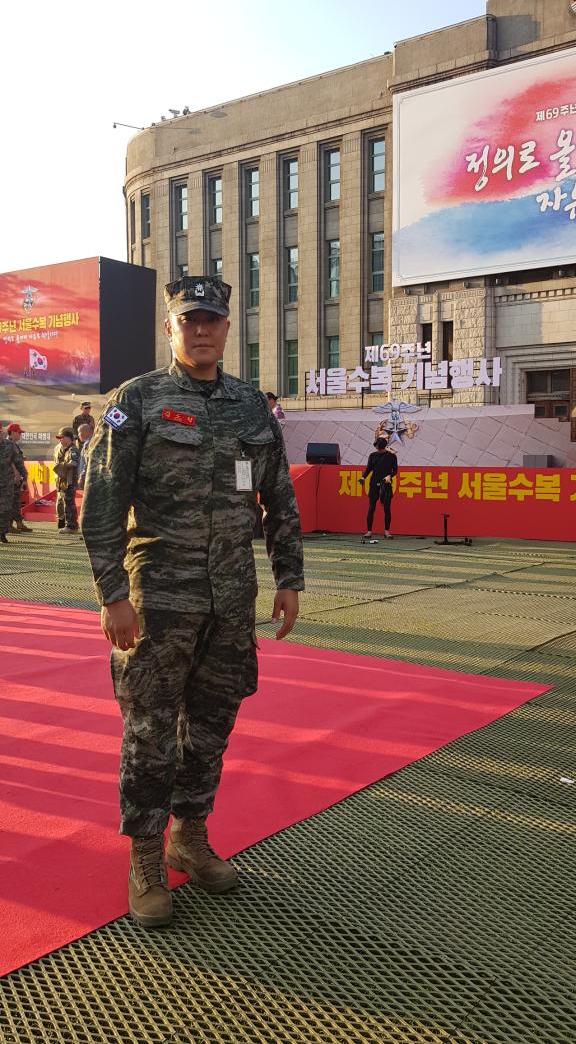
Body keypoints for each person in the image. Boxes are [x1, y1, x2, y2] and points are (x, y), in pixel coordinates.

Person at [80, 276, 304, 930]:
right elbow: (102, 501)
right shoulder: (138, 400)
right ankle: (146, 857)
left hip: (231, 600)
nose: (201, 330)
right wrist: (112, 595)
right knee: (150, 733)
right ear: (171, 329)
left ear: (228, 328)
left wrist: (289, 575)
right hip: (159, 601)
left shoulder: (249, 407)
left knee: (210, 728)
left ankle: (190, 834)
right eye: (189, 320)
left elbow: (278, 497)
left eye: (212, 319)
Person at [361, 436, 398, 540]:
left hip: (386, 484)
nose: (378, 450)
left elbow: (395, 470)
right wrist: (363, 477)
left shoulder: (391, 456)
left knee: (386, 508)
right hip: (374, 484)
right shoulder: (372, 455)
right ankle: (369, 531)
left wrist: (389, 476)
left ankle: (387, 531)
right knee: (371, 507)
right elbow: (368, 469)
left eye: (380, 448)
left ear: (384, 447)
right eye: (377, 448)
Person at [53, 427, 80, 533]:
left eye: (62, 437)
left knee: (69, 503)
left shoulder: (73, 449)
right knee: (62, 501)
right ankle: (65, 523)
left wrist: (62, 466)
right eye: (59, 438)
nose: (60, 440)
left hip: (69, 480)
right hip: (61, 480)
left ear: (69, 438)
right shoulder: (59, 448)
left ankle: (71, 526)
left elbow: (74, 463)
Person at [7, 424, 32, 533]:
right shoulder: (8, 444)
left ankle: (19, 524)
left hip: (14, 477)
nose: (20, 435)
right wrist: (17, 474)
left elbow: (17, 460)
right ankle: (9, 525)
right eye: (19, 432)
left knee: (16, 501)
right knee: (11, 502)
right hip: (10, 478)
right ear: (12, 432)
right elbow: (11, 461)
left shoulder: (14, 445)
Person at [0, 425, 19, 545]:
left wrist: (17, 473)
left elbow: (13, 461)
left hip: (5, 482)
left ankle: (2, 532)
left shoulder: (7, 445)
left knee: (5, 509)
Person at [76, 422, 93, 489]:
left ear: (86, 432)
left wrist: (82, 477)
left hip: (87, 479)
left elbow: (87, 462)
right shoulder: (88, 443)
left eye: (79, 432)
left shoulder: (88, 444)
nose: (78, 435)